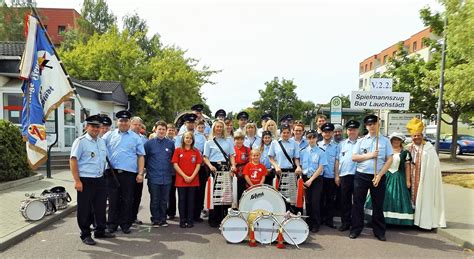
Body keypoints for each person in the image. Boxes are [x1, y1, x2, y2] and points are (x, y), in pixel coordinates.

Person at [70, 115, 114, 245]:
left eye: (98, 126)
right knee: (85, 209)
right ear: (86, 127)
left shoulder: (101, 141)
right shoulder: (80, 141)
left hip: (100, 179)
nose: (95, 129)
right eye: (92, 126)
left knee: (100, 207)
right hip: (86, 180)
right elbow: (73, 160)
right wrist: (77, 181)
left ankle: (100, 230)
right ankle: (85, 234)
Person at [350, 114, 393, 241]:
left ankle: (379, 231)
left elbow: (390, 159)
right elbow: (354, 157)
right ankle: (356, 229)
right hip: (361, 175)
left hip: (377, 176)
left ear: (378, 124)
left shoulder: (385, 141)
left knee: (378, 204)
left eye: (374, 123)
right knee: (358, 203)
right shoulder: (361, 140)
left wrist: (380, 175)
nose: (371, 126)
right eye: (369, 124)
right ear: (366, 126)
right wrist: (370, 155)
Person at [104, 110, 145, 234]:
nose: (123, 123)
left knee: (127, 199)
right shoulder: (108, 135)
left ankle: (125, 224)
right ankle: (112, 224)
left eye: (126, 121)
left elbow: (141, 156)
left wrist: (140, 173)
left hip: (129, 174)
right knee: (113, 199)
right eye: (121, 120)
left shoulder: (135, 137)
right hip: (112, 172)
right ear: (117, 122)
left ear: (129, 122)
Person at [365, 132, 414, 226]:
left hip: (398, 177)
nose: (396, 141)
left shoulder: (405, 153)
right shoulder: (386, 150)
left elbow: (407, 167)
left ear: (401, 141)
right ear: (391, 141)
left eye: (398, 140)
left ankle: (395, 221)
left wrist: (408, 180)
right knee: (380, 196)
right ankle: (377, 219)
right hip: (385, 175)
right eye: (394, 139)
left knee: (398, 197)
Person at [406, 118, 446, 229]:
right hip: (410, 179)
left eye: (418, 135)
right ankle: (411, 220)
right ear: (411, 137)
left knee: (424, 198)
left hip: (424, 180)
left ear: (422, 135)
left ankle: (423, 220)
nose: (417, 137)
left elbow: (433, 167)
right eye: (414, 136)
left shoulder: (429, 149)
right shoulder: (408, 148)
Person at [175, 113, 208, 223]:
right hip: (183, 169)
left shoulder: (201, 136)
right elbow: (177, 152)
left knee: (199, 193)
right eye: (189, 122)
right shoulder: (180, 137)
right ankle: (184, 217)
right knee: (184, 196)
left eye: (193, 122)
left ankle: (195, 215)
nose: (191, 124)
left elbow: (204, 152)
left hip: (199, 167)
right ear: (185, 123)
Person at [203, 120, 237, 227]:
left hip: (225, 168)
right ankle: (214, 219)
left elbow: (231, 155)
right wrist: (210, 166)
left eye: (220, 127)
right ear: (214, 128)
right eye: (217, 127)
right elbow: (205, 157)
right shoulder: (209, 142)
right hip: (214, 168)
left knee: (226, 194)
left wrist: (233, 165)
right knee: (215, 195)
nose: (218, 128)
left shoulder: (228, 141)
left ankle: (224, 218)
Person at [144, 121, 175, 227]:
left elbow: (172, 159)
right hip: (153, 176)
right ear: (155, 130)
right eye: (159, 129)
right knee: (155, 199)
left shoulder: (171, 144)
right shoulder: (148, 144)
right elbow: (145, 159)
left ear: (166, 131)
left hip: (167, 177)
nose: (161, 131)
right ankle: (155, 219)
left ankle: (163, 219)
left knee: (164, 200)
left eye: (163, 129)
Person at [269, 124, 303, 214]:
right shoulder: (274, 143)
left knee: (291, 197)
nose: (286, 134)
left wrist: (298, 166)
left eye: (288, 132)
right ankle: (280, 215)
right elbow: (271, 157)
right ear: (280, 133)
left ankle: (291, 216)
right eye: (284, 132)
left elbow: (296, 158)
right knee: (279, 196)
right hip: (279, 172)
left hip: (290, 172)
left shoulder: (294, 143)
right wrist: (276, 166)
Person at [172, 131, 203, 228]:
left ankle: (190, 220)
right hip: (181, 180)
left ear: (193, 140)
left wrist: (192, 176)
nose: (188, 139)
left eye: (190, 138)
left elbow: (198, 165)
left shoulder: (196, 151)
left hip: (193, 180)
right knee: (182, 200)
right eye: (186, 138)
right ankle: (182, 220)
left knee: (191, 200)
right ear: (183, 139)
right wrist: (184, 176)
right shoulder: (178, 150)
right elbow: (175, 164)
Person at [300, 129, 327, 233]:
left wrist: (311, 180)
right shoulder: (303, 151)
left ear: (317, 138)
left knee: (315, 202)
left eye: (313, 137)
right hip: (306, 178)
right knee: (307, 202)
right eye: (309, 138)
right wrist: (303, 180)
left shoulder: (321, 152)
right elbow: (301, 166)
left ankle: (316, 223)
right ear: (306, 139)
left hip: (316, 179)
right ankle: (308, 222)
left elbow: (321, 168)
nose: (311, 140)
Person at [337, 120, 360, 232]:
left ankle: (356, 224)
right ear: (347, 131)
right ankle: (345, 223)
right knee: (345, 200)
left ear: (358, 130)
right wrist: (337, 176)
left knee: (357, 201)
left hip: (358, 175)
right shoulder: (342, 144)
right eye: (350, 129)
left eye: (354, 129)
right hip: (345, 175)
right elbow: (337, 161)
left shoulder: (362, 143)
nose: (352, 131)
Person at [318, 122, 340, 228]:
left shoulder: (336, 147)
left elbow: (336, 162)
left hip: (330, 176)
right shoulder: (317, 145)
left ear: (332, 133)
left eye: (329, 132)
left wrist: (336, 176)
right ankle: (320, 218)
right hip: (320, 176)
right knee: (320, 198)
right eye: (325, 132)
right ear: (322, 133)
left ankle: (329, 220)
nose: (327, 134)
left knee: (330, 199)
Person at [130, 116, 148, 225]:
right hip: (128, 171)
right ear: (130, 125)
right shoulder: (126, 137)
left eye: (139, 125)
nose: (137, 127)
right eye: (135, 124)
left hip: (140, 171)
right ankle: (125, 218)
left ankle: (134, 216)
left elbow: (145, 155)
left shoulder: (144, 139)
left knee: (137, 195)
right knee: (127, 196)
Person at [234, 131, 251, 200]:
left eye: (241, 139)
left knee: (244, 190)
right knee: (235, 191)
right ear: (234, 140)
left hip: (245, 173)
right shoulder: (232, 149)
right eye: (237, 139)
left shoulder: (247, 149)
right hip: (235, 173)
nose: (239, 141)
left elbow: (250, 161)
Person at [166, 123, 178, 220]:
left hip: (176, 171)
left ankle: (172, 212)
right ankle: (165, 211)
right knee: (167, 193)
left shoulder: (177, 141)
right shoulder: (163, 141)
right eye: (169, 130)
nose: (170, 131)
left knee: (172, 193)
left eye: (172, 130)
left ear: (175, 132)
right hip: (166, 170)